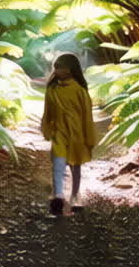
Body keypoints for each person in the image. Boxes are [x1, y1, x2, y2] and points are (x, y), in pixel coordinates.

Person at [40, 53, 97, 216]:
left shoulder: (80, 91)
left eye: (60, 67)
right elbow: (47, 113)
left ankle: (74, 194)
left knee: (75, 166)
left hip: (76, 134)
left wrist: (89, 138)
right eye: (55, 67)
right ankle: (58, 196)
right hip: (59, 133)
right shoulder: (52, 90)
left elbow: (87, 116)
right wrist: (47, 129)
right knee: (58, 165)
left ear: (70, 70)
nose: (56, 70)